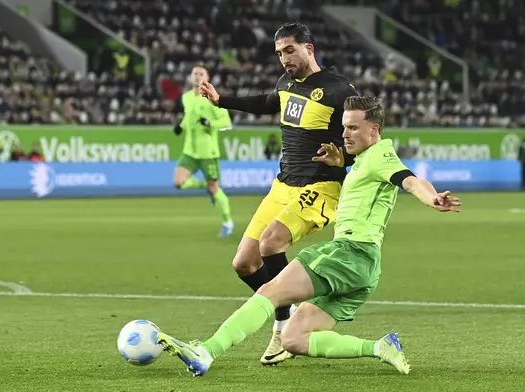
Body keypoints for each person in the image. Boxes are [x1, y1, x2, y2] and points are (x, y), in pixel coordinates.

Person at [156, 96, 462, 377]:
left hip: (349, 252)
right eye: (344, 127)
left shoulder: (383, 156)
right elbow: (370, 181)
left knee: (271, 291)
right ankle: (381, 347)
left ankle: (206, 351)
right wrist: (341, 165)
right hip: (366, 268)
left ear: (374, 130)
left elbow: (409, 181)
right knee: (293, 339)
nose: (345, 134)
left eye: (353, 127)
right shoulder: (366, 160)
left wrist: (433, 198)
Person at [199, 22, 359, 365]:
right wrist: (221, 100)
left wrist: (343, 158)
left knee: (271, 244)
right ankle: (288, 316)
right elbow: (268, 102)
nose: (284, 59)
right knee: (243, 263)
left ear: (309, 48)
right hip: (282, 185)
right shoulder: (286, 83)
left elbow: (364, 141)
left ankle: (283, 326)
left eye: (289, 50)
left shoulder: (338, 90)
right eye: (279, 53)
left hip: (320, 186)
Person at [174, 64, 234, 237]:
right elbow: (189, 116)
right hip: (189, 151)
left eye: (201, 73)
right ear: (190, 77)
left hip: (208, 152)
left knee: (214, 189)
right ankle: (207, 186)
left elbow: (226, 122)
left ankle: (227, 222)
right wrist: (181, 126)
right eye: (194, 73)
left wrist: (210, 123)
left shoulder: (212, 98)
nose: (197, 76)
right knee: (178, 182)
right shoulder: (186, 97)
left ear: (207, 78)